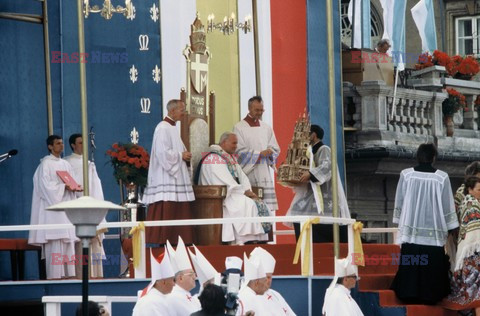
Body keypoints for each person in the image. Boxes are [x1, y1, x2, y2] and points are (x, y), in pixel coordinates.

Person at [391, 143, 459, 304]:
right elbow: (447, 204)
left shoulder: (406, 175)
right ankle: (430, 295)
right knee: (431, 267)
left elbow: (400, 200)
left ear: (418, 156)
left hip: (411, 232)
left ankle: (408, 292)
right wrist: (451, 227)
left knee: (412, 262)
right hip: (433, 232)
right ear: (434, 158)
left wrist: (401, 222)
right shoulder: (441, 177)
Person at [196, 132, 270, 244]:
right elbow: (225, 181)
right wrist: (244, 192)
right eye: (234, 143)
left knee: (257, 203)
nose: (236, 146)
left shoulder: (228, 157)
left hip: (232, 192)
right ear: (224, 142)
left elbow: (242, 176)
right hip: (220, 196)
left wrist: (248, 190)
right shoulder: (213, 158)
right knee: (247, 204)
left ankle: (255, 238)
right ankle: (244, 239)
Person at [142, 99, 194, 247]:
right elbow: (161, 152)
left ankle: (177, 241)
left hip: (175, 176)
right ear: (172, 111)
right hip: (167, 177)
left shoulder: (172, 128)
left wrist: (184, 155)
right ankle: (164, 241)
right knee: (167, 207)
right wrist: (180, 155)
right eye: (182, 110)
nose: (184, 113)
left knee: (179, 208)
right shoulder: (163, 128)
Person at [287, 125, 351, 243]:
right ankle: (304, 245)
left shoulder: (323, 149)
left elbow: (327, 167)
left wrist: (310, 174)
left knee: (301, 212)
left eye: (306, 134)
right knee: (295, 210)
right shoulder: (308, 151)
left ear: (313, 135)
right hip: (311, 192)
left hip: (324, 194)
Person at [28, 135, 79, 279]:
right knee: (55, 246)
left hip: (65, 213)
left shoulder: (65, 164)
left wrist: (74, 187)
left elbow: (72, 180)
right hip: (53, 214)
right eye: (58, 143)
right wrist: (64, 187)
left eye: (62, 143)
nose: (61, 146)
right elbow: (45, 187)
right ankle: (55, 280)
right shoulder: (45, 164)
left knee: (68, 247)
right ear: (50, 146)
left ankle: (70, 278)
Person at [64, 133, 107, 278]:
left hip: (91, 209)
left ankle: (95, 277)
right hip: (75, 209)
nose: (83, 145)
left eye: (84, 143)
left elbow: (96, 188)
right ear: (73, 145)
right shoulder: (66, 163)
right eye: (80, 143)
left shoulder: (89, 164)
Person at [233, 96, 280, 214]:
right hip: (249, 172)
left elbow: (275, 148)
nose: (259, 113)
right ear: (249, 108)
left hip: (264, 172)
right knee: (252, 209)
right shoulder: (239, 127)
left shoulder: (266, 127)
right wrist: (259, 154)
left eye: (261, 110)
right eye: (256, 110)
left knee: (267, 210)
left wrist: (270, 153)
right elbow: (238, 152)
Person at [448, 176, 480, 314]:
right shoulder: (470, 203)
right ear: (470, 189)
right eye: (479, 189)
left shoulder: (470, 202)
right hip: (473, 256)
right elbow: (474, 235)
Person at [249, 247, 296, 315]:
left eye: (270, 277)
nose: (268, 281)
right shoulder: (245, 296)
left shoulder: (275, 295)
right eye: (266, 277)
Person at [133, 249, 175, 316]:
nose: (174, 284)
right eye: (172, 280)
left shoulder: (157, 298)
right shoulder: (153, 302)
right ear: (163, 282)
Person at [166, 236, 201, 315]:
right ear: (180, 278)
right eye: (191, 274)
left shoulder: (184, 294)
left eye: (194, 274)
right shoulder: (174, 296)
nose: (194, 277)